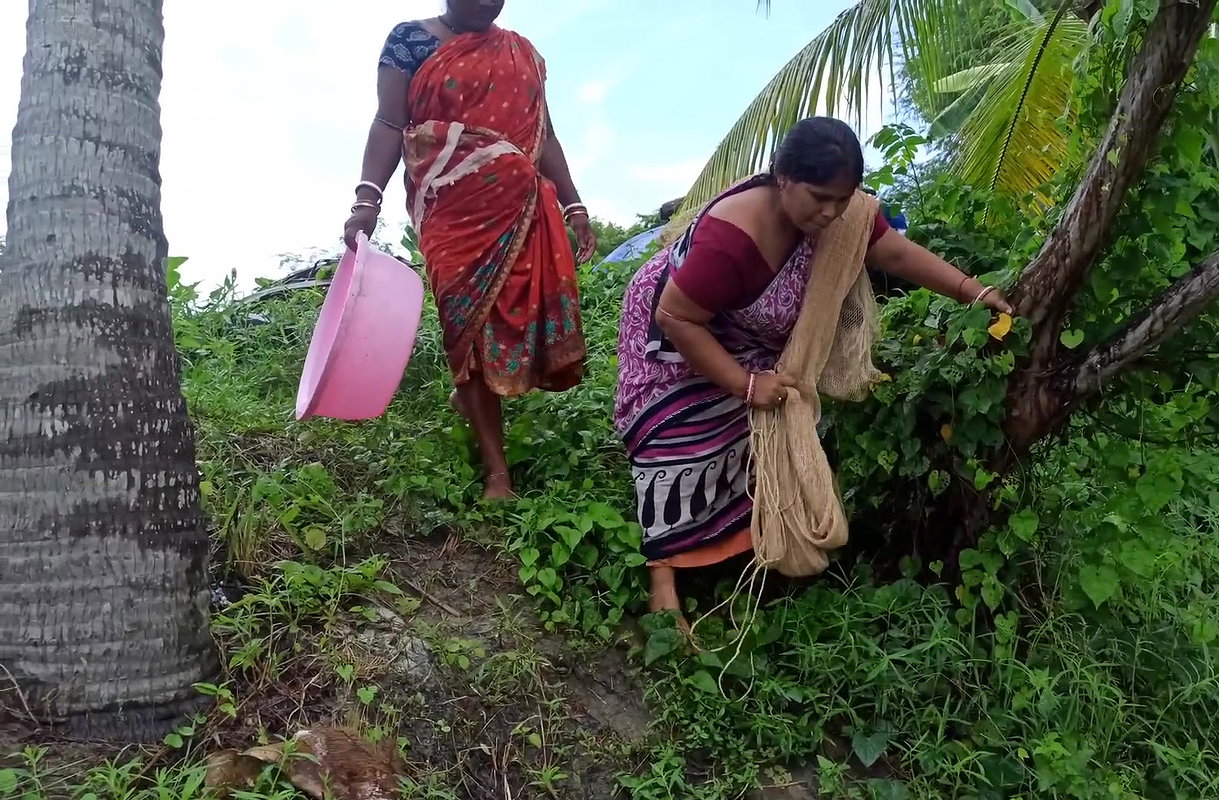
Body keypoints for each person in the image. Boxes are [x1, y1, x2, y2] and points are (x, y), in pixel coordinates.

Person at [613, 117, 1013, 620]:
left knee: (766, 428)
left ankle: (754, 545)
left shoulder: (845, 219)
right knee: (677, 440)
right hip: (675, 328)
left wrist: (971, 291)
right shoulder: (732, 238)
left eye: (842, 200)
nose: (831, 213)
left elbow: (895, 252)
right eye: (819, 196)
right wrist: (744, 381)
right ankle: (664, 577)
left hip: (745, 331)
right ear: (783, 177)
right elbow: (676, 316)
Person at [342, 0, 595, 500]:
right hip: (450, 215)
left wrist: (574, 204)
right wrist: (367, 197)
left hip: (520, 208)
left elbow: (544, 137)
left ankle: (472, 400)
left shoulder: (521, 53)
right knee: (465, 329)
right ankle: (497, 471)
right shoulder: (409, 42)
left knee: (510, 318)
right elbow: (390, 124)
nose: (486, 2)